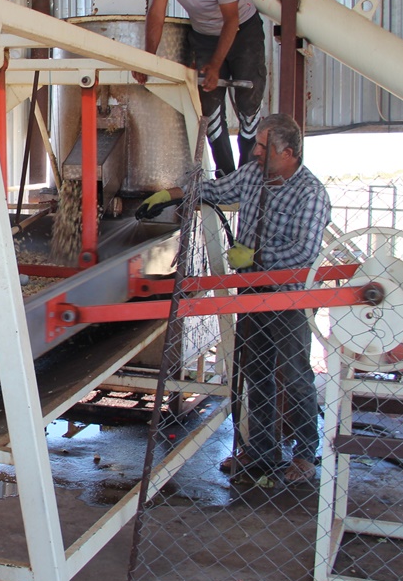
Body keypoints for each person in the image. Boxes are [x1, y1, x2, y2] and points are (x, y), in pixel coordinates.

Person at [135, 113, 331, 483]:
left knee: (294, 373)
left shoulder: (311, 193)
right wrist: (169, 196)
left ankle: (305, 454)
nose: (255, 152)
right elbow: (215, 191)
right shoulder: (255, 175)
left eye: (263, 147)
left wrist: (255, 257)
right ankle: (261, 451)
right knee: (255, 372)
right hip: (252, 293)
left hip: (290, 297)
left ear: (288, 153)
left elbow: (303, 252)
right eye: (256, 144)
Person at [133, 0, 266, 177]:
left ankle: (249, 174)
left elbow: (231, 19)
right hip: (204, 35)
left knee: (248, 101)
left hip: (243, 31)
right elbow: (157, 13)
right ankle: (226, 176)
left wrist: (216, 65)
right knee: (210, 104)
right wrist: (148, 59)